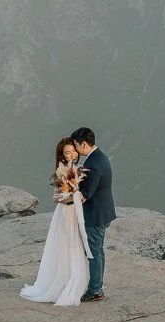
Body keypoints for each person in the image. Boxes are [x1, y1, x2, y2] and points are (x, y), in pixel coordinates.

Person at [19, 137, 91, 306]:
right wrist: (71, 195)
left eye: (73, 151)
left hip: (78, 212)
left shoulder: (82, 169)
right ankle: (64, 282)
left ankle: (79, 281)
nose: (71, 154)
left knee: (78, 245)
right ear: (62, 155)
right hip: (66, 213)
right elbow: (57, 197)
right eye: (67, 152)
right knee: (66, 246)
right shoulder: (62, 171)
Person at [70, 126, 115, 303]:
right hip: (104, 212)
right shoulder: (100, 157)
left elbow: (85, 194)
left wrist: (67, 193)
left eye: (76, 145)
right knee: (98, 250)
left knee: (93, 251)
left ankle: (95, 290)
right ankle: (98, 285)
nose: (75, 149)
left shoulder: (93, 165)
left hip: (95, 214)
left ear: (83, 144)